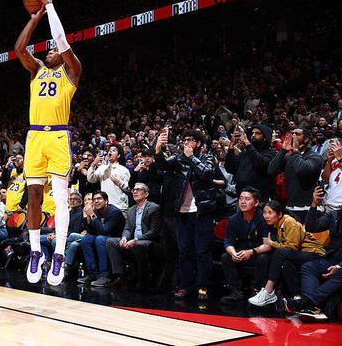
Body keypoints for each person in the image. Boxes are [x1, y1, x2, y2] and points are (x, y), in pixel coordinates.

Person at [14, 0, 82, 286]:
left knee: (61, 197)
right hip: (34, 137)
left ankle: (59, 254)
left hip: (57, 136)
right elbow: (19, 49)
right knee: (33, 195)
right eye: (50, 49)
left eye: (55, 49)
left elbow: (62, 40)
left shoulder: (72, 71)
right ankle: (36, 251)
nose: (51, 50)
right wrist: (35, 17)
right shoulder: (37, 69)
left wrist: (50, 6)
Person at [155, 129, 218, 301]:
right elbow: (162, 166)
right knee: (184, 251)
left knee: (202, 251)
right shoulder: (178, 158)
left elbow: (206, 174)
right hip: (183, 211)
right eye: (185, 140)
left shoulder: (208, 157)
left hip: (202, 211)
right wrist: (158, 149)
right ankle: (184, 285)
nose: (186, 143)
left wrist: (191, 157)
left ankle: (203, 286)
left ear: (199, 143)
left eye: (190, 140)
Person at [248, 200, 326, 307]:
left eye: (270, 213)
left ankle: (268, 290)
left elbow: (292, 247)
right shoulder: (277, 226)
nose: (266, 216)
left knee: (280, 252)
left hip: (315, 254)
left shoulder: (289, 221)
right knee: (286, 263)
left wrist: (272, 243)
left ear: (279, 214)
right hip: (301, 254)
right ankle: (297, 295)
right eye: (264, 213)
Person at [284, 187, 342, 321]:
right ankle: (312, 308)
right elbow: (311, 227)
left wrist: (339, 267)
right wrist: (314, 203)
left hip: (340, 265)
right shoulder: (335, 215)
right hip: (333, 258)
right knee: (309, 267)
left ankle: (306, 303)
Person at [219, 187, 273, 304]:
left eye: (247, 199)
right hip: (242, 252)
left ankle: (258, 290)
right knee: (226, 257)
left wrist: (251, 252)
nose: (243, 202)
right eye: (241, 198)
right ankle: (236, 291)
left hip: (258, 252)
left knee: (264, 258)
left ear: (256, 202)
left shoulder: (263, 218)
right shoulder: (233, 219)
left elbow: (268, 245)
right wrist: (233, 253)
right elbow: (228, 241)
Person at [105, 183, 162, 289]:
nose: (135, 192)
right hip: (133, 241)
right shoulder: (131, 210)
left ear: (146, 194)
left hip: (149, 242)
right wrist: (124, 238)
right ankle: (120, 277)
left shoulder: (154, 208)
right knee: (111, 242)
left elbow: (154, 231)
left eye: (138, 189)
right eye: (134, 190)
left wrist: (135, 240)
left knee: (139, 245)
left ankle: (142, 279)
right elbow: (127, 228)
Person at [268, 129, 325, 222]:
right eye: (292, 133)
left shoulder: (315, 157)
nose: (293, 136)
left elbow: (302, 170)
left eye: (297, 134)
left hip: (310, 207)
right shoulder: (288, 156)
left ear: (306, 139)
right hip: (291, 206)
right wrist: (283, 150)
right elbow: (271, 170)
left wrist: (295, 150)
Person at [76, 191, 125, 287]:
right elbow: (92, 231)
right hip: (102, 237)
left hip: (116, 238)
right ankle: (92, 273)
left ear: (106, 201)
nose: (96, 201)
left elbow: (105, 230)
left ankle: (105, 276)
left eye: (99, 199)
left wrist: (92, 215)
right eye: (94, 199)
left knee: (100, 239)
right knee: (86, 239)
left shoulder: (114, 212)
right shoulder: (96, 211)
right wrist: (87, 218)